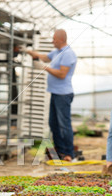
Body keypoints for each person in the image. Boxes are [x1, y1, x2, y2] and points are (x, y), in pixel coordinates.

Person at [22, 29, 77, 162]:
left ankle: (69, 153)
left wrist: (43, 67)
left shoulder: (68, 54)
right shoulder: (57, 52)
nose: (52, 41)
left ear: (60, 40)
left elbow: (61, 74)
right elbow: (45, 57)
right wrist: (28, 51)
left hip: (63, 94)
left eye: (54, 39)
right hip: (55, 93)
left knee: (64, 124)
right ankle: (60, 150)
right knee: (53, 123)